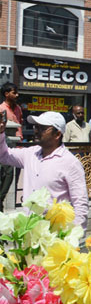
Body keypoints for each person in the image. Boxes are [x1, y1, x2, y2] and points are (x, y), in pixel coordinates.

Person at [0, 111, 88, 227]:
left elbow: (80, 203)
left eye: (42, 128)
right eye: (36, 127)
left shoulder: (70, 163)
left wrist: (76, 236)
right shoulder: (31, 153)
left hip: (54, 234)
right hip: (29, 229)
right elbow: (4, 155)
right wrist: (1, 132)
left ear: (57, 134)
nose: (36, 131)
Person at [0, 83, 23, 211]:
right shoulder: (1, 109)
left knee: (13, 180)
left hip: (17, 149)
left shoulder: (18, 109)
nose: (17, 95)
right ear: (6, 94)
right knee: (5, 178)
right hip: (4, 149)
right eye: (14, 93)